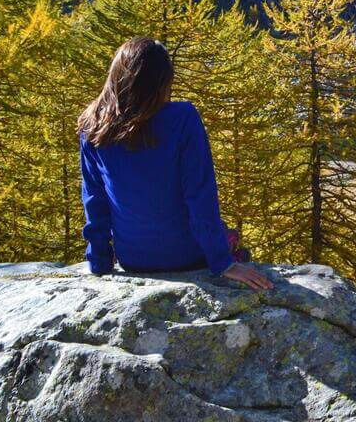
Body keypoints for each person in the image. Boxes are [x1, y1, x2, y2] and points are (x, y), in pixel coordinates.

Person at [77, 37, 272, 291]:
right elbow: (199, 195)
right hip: (188, 256)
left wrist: (99, 261)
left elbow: (95, 201)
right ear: (161, 82)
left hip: (134, 259)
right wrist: (222, 262)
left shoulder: (93, 126)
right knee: (228, 236)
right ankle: (228, 247)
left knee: (225, 235)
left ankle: (225, 243)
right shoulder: (183, 118)